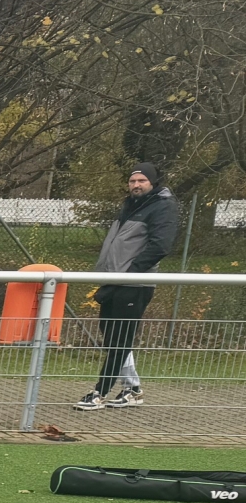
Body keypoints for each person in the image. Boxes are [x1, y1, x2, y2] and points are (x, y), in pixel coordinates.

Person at [76, 163, 181, 411]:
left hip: (135, 283)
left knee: (120, 339)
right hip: (114, 280)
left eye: (142, 181)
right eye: (133, 181)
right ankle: (132, 389)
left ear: (152, 182)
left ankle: (99, 393)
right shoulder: (131, 204)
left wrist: (131, 272)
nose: (136, 185)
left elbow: (160, 246)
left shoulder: (163, 206)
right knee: (112, 336)